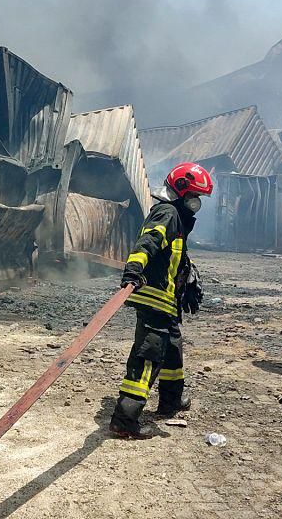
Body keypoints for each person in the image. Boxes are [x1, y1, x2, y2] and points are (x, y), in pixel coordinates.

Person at [109, 162, 209, 439]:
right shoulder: (167, 212)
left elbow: (171, 255)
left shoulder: (177, 217)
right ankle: (124, 419)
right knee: (148, 355)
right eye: (194, 196)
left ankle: (171, 400)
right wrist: (133, 269)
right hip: (155, 298)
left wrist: (187, 275)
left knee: (172, 350)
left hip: (167, 301)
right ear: (180, 191)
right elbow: (149, 241)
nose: (196, 202)